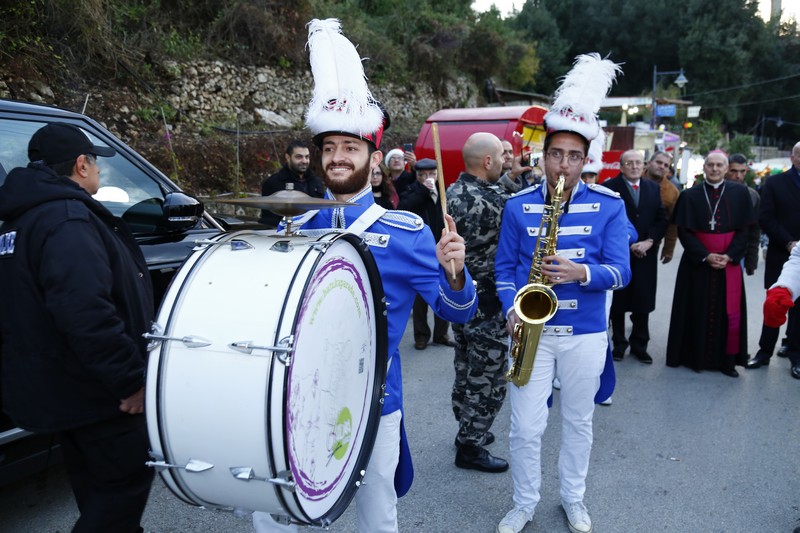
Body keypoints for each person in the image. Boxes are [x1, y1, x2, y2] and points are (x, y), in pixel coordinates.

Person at [252, 19, 477, 533]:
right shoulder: (298, 222)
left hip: (376, 398)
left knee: (377, 517)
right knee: (285, 511)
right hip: (298, 395)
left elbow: (456, 311)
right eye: (329, 148)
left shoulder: (407, 231)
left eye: (350, 148)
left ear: (374, 159)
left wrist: (457, 273)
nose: (337, 157)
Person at [495, 53, 629, 533]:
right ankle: (524, 502)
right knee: (525, 427)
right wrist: (514, 306)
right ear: (544, 155)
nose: (565, 165)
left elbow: (622, 273)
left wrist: (581, 272)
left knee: (578, 423)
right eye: (557, 154)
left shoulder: (609, 206)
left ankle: (573, 498)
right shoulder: (517, 206)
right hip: (533, 332)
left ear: (584, 159)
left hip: (586, 333)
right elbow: (505, 267)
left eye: (575, 157)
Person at [0, 122, 154, 531]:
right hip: (97, 396)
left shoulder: (22, 219)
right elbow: (86, 314)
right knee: (119, 495)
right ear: (81, 164)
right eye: (96, 164)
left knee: (97, 491)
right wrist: (130, 382)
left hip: (64, 389)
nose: (99, 173)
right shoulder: (67, 219)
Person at [446, 132, 510, 473]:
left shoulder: (451, 193)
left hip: (461, 296)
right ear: (487, 161)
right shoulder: (493, 200)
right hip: (488, 300)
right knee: (489, 375)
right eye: (500, 156)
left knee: (465, 365)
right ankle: (471, 446)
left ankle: (467, 431)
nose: (504, 162)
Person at [666, 151, 756, 377]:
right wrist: (705, 255)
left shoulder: (741, 193)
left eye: (719, 165)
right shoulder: (689, 195)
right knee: (694, 308)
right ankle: (692, 357)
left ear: (726, 169)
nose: (715, 169)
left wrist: (731, 255)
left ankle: (726, 362)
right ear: (704, 168)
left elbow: (745, 230)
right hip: (697, 263)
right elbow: (684, 232)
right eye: (711, 165)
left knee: (728, 312)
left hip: (729, 262)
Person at [603, 150, 668, 363]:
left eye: (638, 163)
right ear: (621, 167)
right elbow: (606, 220)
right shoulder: (610, 188)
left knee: (643, 300)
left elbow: (661, 218)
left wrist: (650, 241)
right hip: (619, 253)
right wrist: (629, 243)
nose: (634, 166)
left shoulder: (652, 188)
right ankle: (619, 343)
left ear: (644, 166)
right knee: (619, 300)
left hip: (646, 254)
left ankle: (640, 344)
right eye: (629, 163)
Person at [746, 141, 800, 378]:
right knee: (774, 304)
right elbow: (765, 217)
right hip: (781, 252)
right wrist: (789, 242)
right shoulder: (775, 183)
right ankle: (764, 352)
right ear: (792, 156)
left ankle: (796, 355)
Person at [399, 158, 456, 349]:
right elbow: (404, 207)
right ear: (418, 176)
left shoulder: (445, 190)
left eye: (432, 174)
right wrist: (424, 189)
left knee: (444, 287)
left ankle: (442, 333)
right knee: (420, 295)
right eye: (424, 175)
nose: (428, 178)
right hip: (419, 249)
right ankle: (421, 335)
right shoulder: (411, 190)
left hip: (441, 245)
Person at [259, 140, 325, 226]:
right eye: (299, 157)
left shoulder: (317, 182)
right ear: (288, 157)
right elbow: (268, 220)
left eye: (307, 157)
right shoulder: (273, 183)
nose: (304, 161)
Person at [725, 153, 760, 276]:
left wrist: (751, 261)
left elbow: (754, 231)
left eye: (742, 171)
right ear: (726, 170)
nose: (738, 176)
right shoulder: (715, 191)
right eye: (734, 171)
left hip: (739, 254)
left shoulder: (753, 196)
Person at [644, 151, 680, 264]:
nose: (662, 167)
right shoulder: (632, 179)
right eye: (659, 162)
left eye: (666, 165)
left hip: (652, 243)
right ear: (649, 163)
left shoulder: (672, 192)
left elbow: (673, 223)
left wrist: (668, 249)